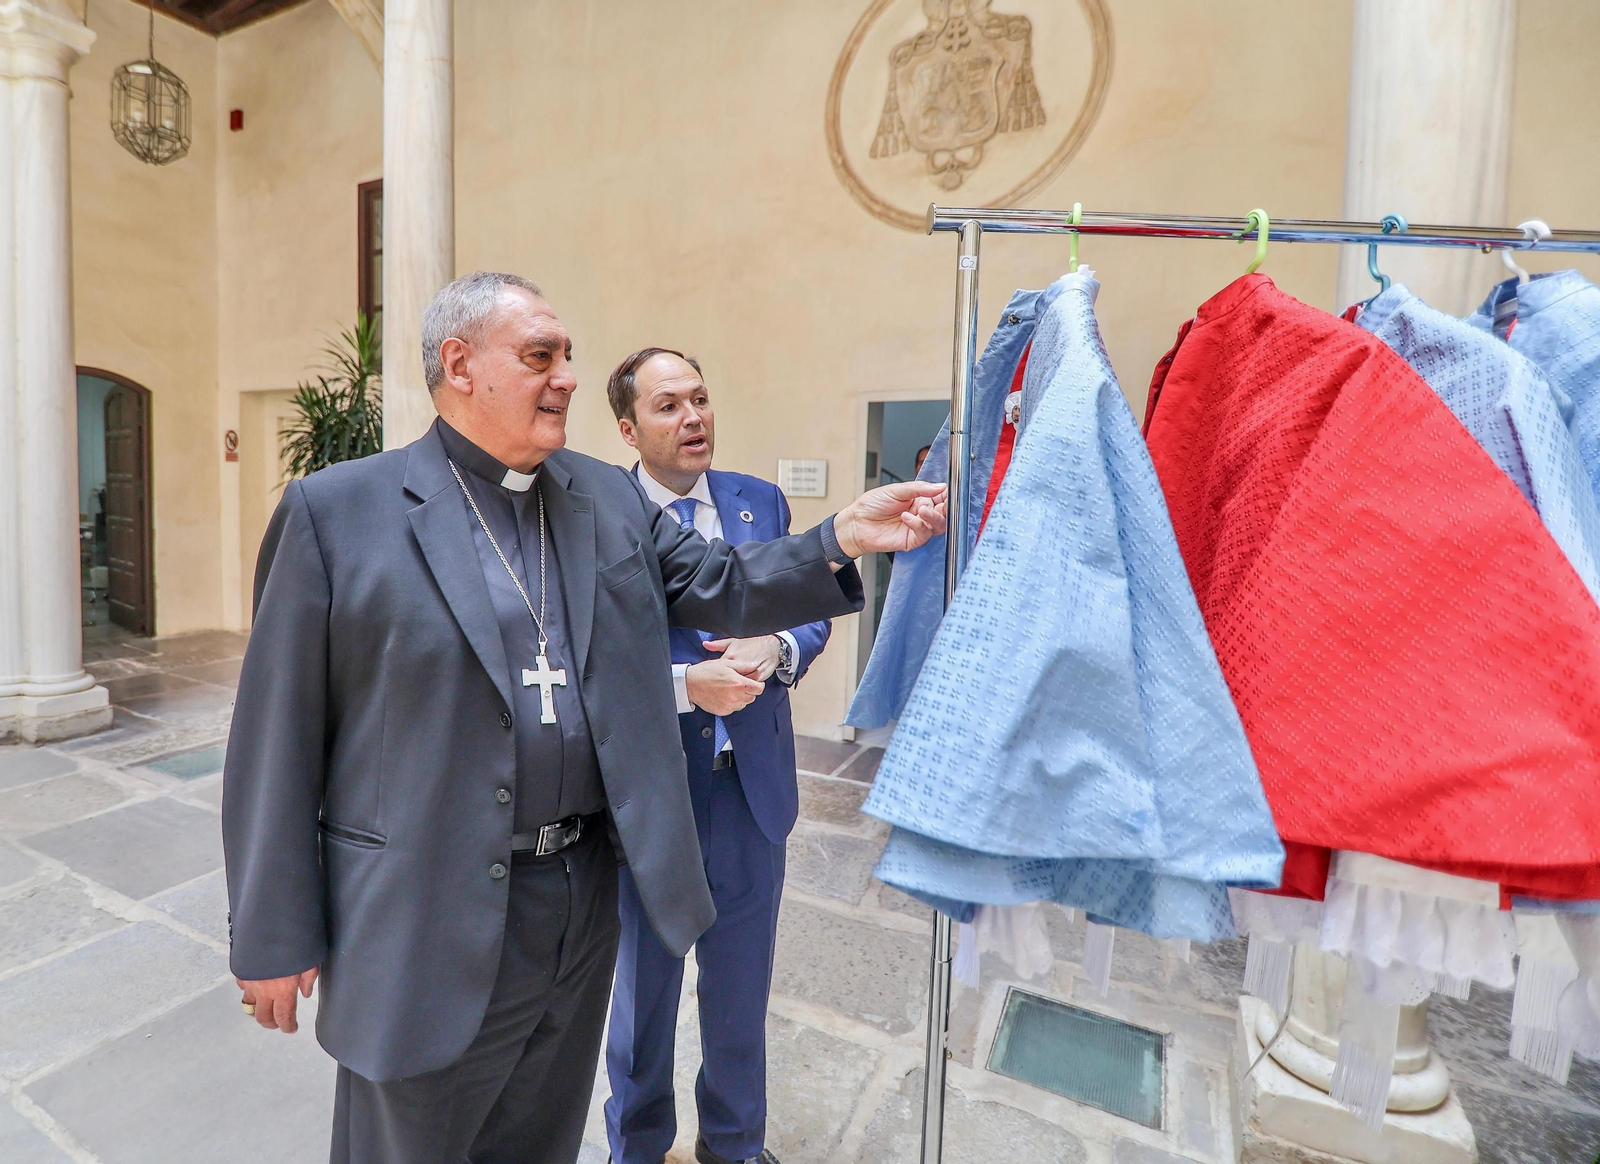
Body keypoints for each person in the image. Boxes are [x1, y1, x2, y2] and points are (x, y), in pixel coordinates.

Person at [220, 271, 946, 1164]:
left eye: (567, 355)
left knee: (542, 1137)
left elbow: (721, 584)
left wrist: (839, 537)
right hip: (423, 918)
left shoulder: (604, 497)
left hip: (575, 903)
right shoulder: (339, 515)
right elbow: (274, 742)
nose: (565, 375)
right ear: (459, 365)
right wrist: (271, 932)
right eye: (539, 356)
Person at [601, 348, 829, 1164]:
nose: (693, 416)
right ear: (628, 428)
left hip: (749, 793)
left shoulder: (757, 500)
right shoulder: (597, 514)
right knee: (644, 1002)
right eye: (668, 406)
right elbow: (584, 655)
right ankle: (637, 1147)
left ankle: (733, 1147)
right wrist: (679, 683)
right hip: (651, 797)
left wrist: (779, 646)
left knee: (740, 996)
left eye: (699, 398)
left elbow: (810, 609)